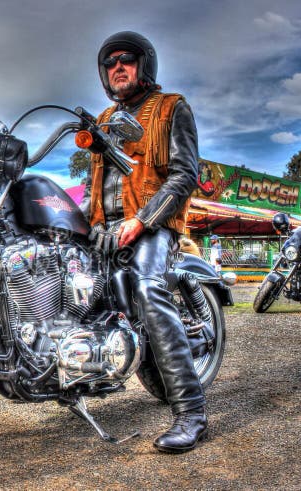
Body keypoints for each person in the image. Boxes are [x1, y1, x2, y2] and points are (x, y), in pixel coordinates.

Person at [80, 31, 205, 453]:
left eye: (127, 60)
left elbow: (185, 175)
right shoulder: (100, 120)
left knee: (149, 288)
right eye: (111, 62)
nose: (118, 67)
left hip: (153, 225)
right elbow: (95, 185)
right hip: (106, 228)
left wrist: (142, 219)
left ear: (143, 65)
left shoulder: (171, 108)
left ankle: (192, 413)